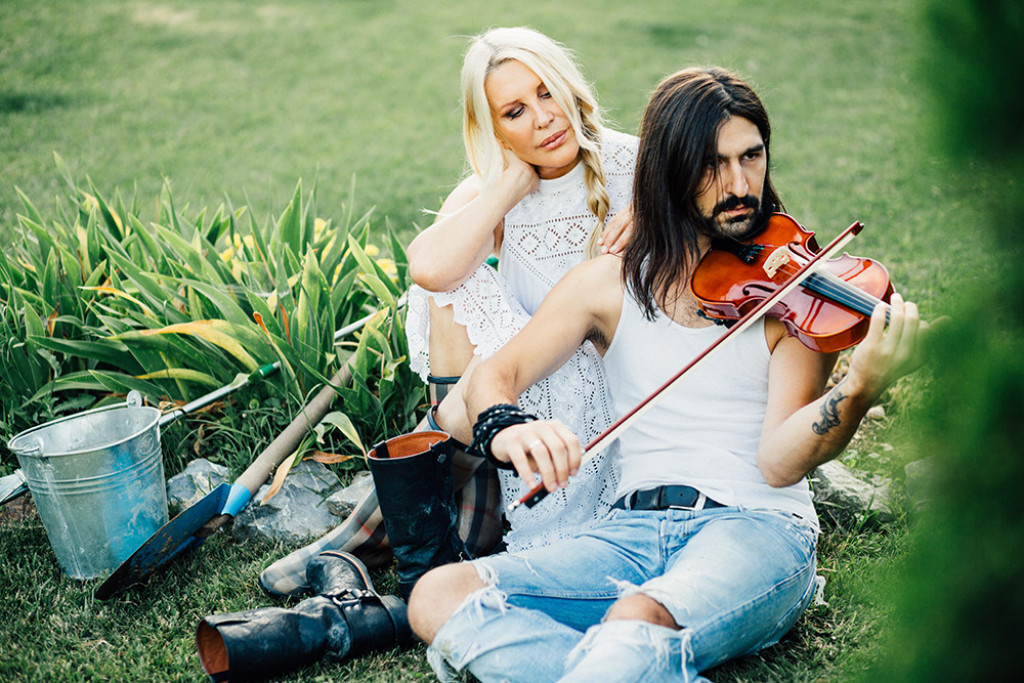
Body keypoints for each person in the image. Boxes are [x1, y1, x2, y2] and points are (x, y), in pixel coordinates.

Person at [407, 66, 925, 682]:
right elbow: (498, 373)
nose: (740, 185)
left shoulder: (795, 292)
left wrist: (858, 390)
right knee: (437, 596)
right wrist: (507, 425)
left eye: (751, 156)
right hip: (629, 529)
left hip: (753, 528)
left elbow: (779, 463)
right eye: (712, 166)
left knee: (636, 619)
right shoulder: (608, 284)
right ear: (668, 171)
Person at [195, 27, 637, 680]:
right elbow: (428, 265)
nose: (543, 118)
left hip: (608, 384)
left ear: (570, 86)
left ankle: (383, 538)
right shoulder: (501, 185)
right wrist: (509, 184)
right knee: (449, 285)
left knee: (468, 369)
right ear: (493, 128)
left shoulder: (634, 161)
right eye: (515, 111)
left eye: (548, 93)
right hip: (515, 391)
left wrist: (655, 220)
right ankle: (430, 534)